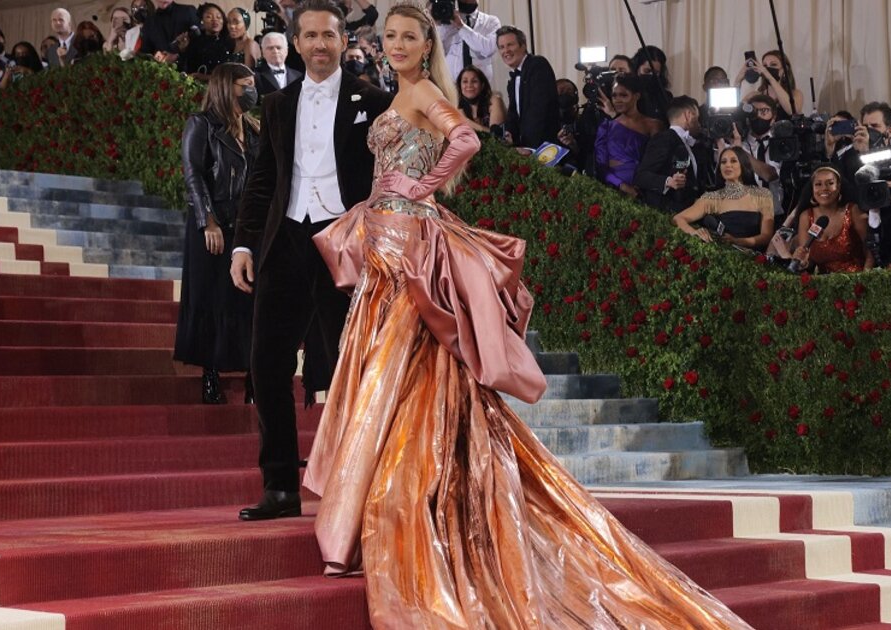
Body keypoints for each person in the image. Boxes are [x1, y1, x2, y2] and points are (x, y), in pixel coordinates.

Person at [300, 5, 754, 628]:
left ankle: (412, 491)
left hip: (410, 245)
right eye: (390, 37)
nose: (398, 45)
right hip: (383, 242)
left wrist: (420, 188)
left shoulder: (425, 92)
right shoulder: (396, 94)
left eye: (409, 37)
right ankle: (385, 494)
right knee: (392, 371)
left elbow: (465, 139)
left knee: (404, 369)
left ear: (427, 45)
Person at [229, 0, 393, 522]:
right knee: (266, 363)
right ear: (296, 43)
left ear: (344, 41)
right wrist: (243, 245)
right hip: (285, 241)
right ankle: (280, 487)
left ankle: (360, 490)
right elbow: (262, 179)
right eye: (311, 36)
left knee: (353, 367)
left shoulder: (376, 100)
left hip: (346, 245)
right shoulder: (277, 103)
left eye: (329, 35)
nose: (320, 44)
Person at [176, 63, 261, 405]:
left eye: (253, 84)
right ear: (227, 87)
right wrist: (207, 221)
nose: (252, 91)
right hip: (214, 223)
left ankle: (254, 375)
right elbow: (194, 174)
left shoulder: (253, 129)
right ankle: (210, 374)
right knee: (211, 297)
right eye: (245, 85)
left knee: (249, 299)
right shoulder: (201, 124)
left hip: (246, 226)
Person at [672, 146, 776, 251]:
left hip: (756, 257)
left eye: (733, 161)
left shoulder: (762, 195)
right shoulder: (713, 198)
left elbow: (766, 236)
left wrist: (738, 241)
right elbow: (678, 219)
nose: (728, 165)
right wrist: (694, 232)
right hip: (724, 255)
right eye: (723, 162)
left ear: (743, 164)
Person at [635, 95, 713, 214]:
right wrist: (668, 181)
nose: (699, 124)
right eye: (697, 118)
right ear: (688, 115)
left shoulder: (693, 144)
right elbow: (641, 176)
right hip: (669, 213)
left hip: (689, 212)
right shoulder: (664, 139)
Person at [786, 166, 873, 273]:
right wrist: (803, 263)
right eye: (818, 184)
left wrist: (865, 278)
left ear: (838, 186)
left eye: (830, 183)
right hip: (823, 281)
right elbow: (808, 260)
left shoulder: (853, 210)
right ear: (812, 188)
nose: (824, 188)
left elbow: (870, 251)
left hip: (857, 278)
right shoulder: (806, 216)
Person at [595, 74, 661, 198]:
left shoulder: (653, 125)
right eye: (614, 95)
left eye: (623, 95)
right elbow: (601, 166)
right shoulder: (606, 126)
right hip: (613, 189)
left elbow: (658, 161)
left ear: (636, 96)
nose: (617, 100)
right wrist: (621, 185)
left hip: (645, 189)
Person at [497, 24, 559, 148]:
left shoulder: (537, 65)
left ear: (523, 45)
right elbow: (513, 113)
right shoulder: (513, 79)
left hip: (543, 147)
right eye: (502, 47)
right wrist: (509, 134)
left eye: (510, 45)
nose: (506, 51)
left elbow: (539, 111)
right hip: (526, 146)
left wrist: (529, 148)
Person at [435, 0, 500, 85]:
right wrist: (436, 24)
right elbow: (436, 52)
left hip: (481, 86)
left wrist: (461, 26)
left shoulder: (491, 21)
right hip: (451, 85)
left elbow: (488, 49)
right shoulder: (446, 23)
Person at [177, 3, 233, 78]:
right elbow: (184, 71)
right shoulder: (195, 42)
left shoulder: (230, 42)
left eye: (218, 17)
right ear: (202, 21)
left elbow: (230, 75)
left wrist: (204, 77)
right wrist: (183, 51)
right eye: (209, 17)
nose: (215, 20)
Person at [741, 50, 804, 117]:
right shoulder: (754, 96)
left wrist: (770, 78)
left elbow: (792, 111)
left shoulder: (795, 94)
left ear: (785, 69)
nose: (767, 69)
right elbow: (737, 114)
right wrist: (738, 81)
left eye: (773, 64)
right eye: (765, 66)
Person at [455, 64, 505, 133]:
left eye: (474, 81)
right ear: (460, 86)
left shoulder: (494, 101)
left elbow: (496, 135)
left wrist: (465, 121)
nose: (469, 85)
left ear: (482, 85)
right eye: (465, 81)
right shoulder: (456, 106)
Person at [254, 31, 300, 98]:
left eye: (278, 48)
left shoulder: (298, 76)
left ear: (286, 51)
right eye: (270, 48)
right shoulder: (255, 77)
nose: (275, 51)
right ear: (263, 52)